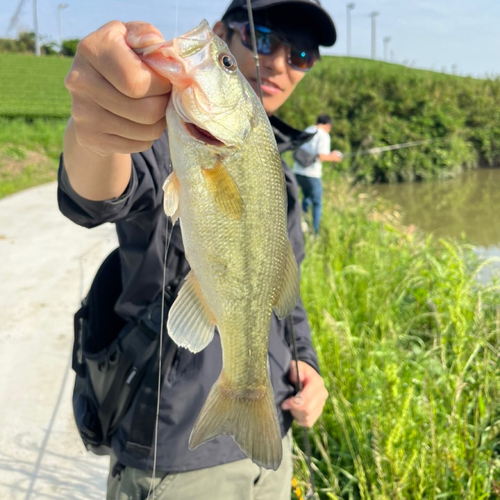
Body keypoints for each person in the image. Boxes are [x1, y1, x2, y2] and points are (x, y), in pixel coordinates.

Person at [58, 0, 336, 498]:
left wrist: (309, 363)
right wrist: (94, 132)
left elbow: (284, 297)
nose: (278, 63)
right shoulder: (168, 137)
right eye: (264, 38)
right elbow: (95, 195)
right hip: (174, 453)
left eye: (302, 55)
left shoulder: (281, 173)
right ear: (225, 32)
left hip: (271, 432)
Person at [293, 114, 343, 234]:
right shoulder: (323, 135)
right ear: (328, 125)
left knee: (307, 198)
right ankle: (315, 233)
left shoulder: (308, 129)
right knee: (317, 202)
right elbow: (321, 156)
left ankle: (303, 223)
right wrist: (334, 157)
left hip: (298, 172)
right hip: (312, 174)